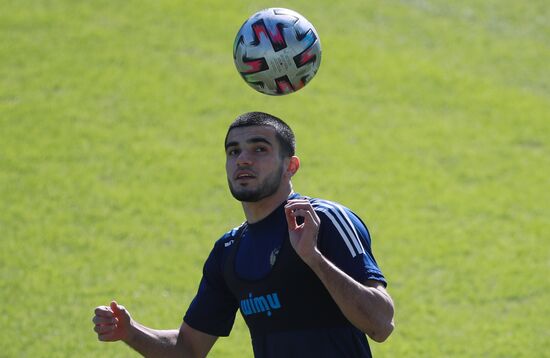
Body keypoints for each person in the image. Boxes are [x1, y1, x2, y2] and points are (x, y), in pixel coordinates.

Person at [93, 111, 395, 357]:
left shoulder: (323, 220)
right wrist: (130, 331)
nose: (243, 159)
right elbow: (188, 349)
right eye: (233, 151)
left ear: (291, 166)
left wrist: (313, 259)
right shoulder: (229, 250)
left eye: (259, 149)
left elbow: (381, 324)